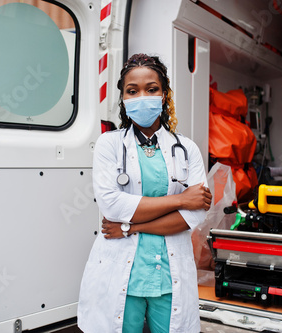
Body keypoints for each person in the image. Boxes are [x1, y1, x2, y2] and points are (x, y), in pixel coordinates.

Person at [77, 53, 212, 333]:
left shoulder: (186, 149)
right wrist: (181, 199)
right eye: (132, 90)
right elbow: (112, 206)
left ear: (164, 95)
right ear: (123, 99)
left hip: (168, 271)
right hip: (122, 271)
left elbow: (193, 215)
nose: (142, 97)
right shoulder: (109, 144)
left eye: (151, 89)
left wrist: (128, 226)